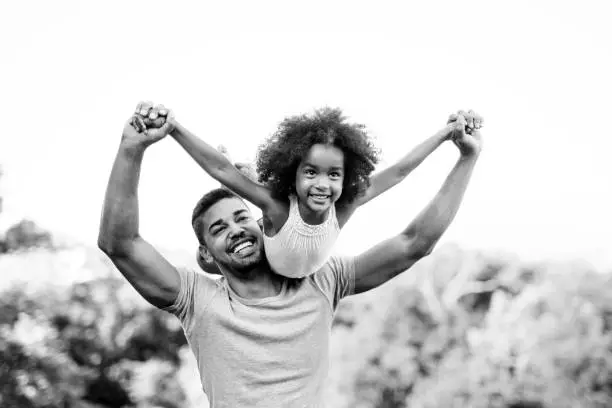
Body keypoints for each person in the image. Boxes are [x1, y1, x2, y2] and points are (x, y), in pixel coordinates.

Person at [98, 105, 482, 407]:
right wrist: (131, 150)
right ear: (206, 256)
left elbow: (415, 242)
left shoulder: (322, 279)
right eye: (218, 229)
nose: (235, 230)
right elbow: (121, 244)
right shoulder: (198, 300)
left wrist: (467, 158)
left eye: (241, 217)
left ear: (263, 227)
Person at [131, 103, 471, 278]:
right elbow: (216, 167)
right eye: (311, 172)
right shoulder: (279, 206)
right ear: (292, 174)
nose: (322, 184)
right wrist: (174, 129)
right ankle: (241, 179)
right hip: (268, 250)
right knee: (209, 260)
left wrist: (445, 135)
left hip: (305, 271)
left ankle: (242, 176)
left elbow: (398, 171)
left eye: (334, 175)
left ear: (346, 176)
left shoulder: (346, 205)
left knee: (238, 183)